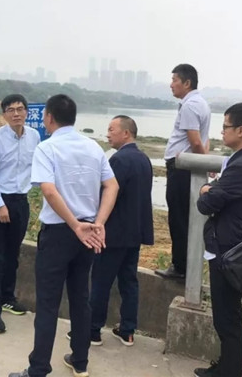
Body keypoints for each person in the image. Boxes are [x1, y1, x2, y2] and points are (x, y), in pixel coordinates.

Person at [10, 94, 119, 377]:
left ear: (48, 117)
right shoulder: (93, 147)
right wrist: (98, 222)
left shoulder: (47, 148)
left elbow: (48, 190)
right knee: (80, 298)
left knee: (48, 303)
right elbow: (112, 186)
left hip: (60, 233)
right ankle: (80, 361)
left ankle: (38, 368)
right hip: (88, 233)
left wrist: (74, 224)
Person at [194, 103, 242, 377]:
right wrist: (212, 190)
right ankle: (226, 367)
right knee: (227, 314)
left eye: (225, 126)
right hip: (231, 244)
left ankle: (228, 371)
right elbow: (219, 194)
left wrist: (205, 189)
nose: (222, 132)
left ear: (241, 130)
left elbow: (207, 204)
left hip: (229, 249)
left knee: (227, 316)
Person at [86, 115, 153, 347]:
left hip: (113, 233)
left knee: (101, 282)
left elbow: (108, 194)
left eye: (111, 129)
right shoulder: (144, 159)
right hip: (135, 233)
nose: (107, 134)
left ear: (126, 133)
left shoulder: (119, 160)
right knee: (129, 282)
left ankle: (92, 330)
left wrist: (98, 222)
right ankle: (128, 330)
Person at [0, 94, 40, 333]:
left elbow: (35, 167)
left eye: (20, 109)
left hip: (20, 201)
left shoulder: (34, 136)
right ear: (4, 114)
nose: (16, 113)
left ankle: (7, 297)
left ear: (27, 112)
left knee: (13, 255)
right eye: (11, 110)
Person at [156, 64, 211, 280]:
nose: (171, 85)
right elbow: (204, 140)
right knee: (187, 218)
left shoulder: (190, 106)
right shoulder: (201, 103)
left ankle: (180, 267)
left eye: (174, 80)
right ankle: (188, 266)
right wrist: (206, 161)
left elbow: (196, 142)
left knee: (178, 219)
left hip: (182, 169)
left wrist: (204, 163)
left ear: (187, 83)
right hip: (188, 168)